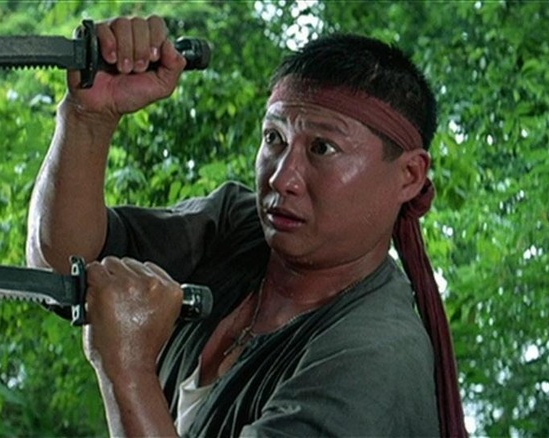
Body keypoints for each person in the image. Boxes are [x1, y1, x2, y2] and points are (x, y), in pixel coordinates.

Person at [26, 15, 466, 437]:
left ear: (408, 176)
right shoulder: (236, 229)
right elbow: (63, 267)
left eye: (323, 148)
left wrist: (128, 370)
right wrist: (90, 118)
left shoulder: (375, 358)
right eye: (274, 139)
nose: (281, 178)